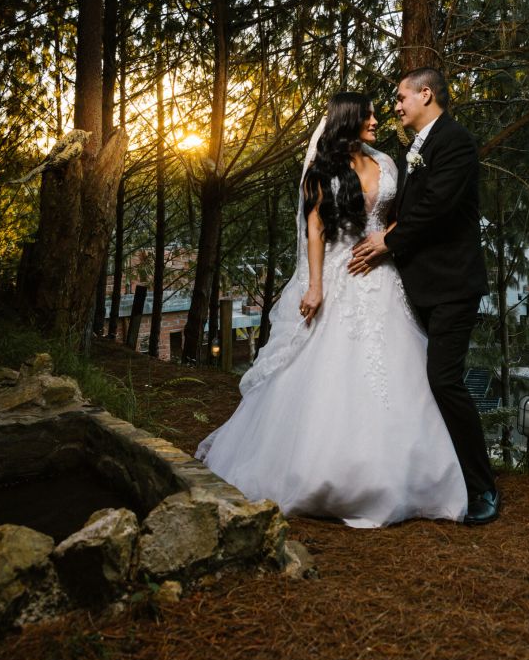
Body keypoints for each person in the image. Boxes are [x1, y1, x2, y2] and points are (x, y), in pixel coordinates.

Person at [195, 92, 467, 528]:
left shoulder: (389, 165)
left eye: (379, 112)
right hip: (339, 276)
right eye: (369, 114)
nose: (377, 119)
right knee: (327, 370)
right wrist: (316, 285)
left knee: (398, 370)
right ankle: (321, 473)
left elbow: (407, 213)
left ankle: (409, 475)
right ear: (349, 120)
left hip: (382, 275)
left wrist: (388, 239)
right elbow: (315, 227)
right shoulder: (321, 170)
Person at [349, 68, 500, 526]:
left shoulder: (453, 141)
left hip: (454, 286)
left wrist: (388, 243)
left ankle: (483, 488)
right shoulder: (415, 148)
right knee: (420, 381)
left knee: (444, 381)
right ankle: (436, 475)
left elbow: (436, 208)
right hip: (423, 286)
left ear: (426, 94)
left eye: (400, 97)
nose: (395, 106)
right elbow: (410, 208)